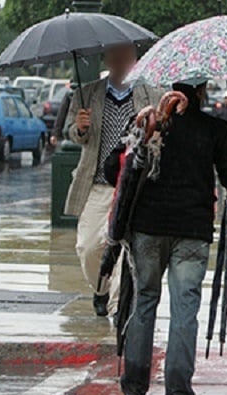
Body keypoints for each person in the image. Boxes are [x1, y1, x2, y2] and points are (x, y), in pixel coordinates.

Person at [119, 80, 227, 395]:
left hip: (147, 227)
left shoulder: (147, 122)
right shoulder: (214, 129)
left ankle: (135, 386)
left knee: (144, 301)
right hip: (192, 231)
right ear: (202, 91)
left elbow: (117, 169)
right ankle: (178, 390)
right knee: (184, 310)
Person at [65, 44, 161, 317]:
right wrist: (80, 127)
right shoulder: (86, 93)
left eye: (126, 56)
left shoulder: (151, 92)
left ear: (135, 59)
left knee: (125, 251)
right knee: (88, 247)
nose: (121, 61)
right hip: (97, 184)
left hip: (135, 185)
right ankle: (101, 288)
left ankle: (120, 311)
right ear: (106, 59)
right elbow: (72, 133)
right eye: (115, 56)